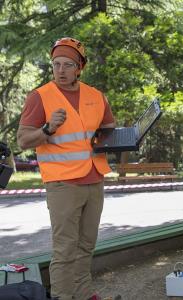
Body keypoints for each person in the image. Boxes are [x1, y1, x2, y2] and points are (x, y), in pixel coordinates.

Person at [17, 37, 116, 300]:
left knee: (86, 246)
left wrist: (119, 140)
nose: (60, 70)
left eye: (67, 65)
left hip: (94, 179)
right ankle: (62, 296)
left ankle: (83, 294)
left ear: (79, 67)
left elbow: (108, 128)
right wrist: (48, 128)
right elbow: (23, 140)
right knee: (65, 250)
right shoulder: (39, 97)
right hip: (63, 184)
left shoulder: (96, 96)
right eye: (56, 64)